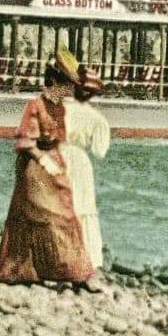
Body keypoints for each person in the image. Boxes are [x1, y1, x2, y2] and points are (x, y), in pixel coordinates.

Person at [0, 46, 98, 292]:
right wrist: (44, 160)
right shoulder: (35, 106)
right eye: (66, 86)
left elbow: (58, 139)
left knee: (68, 215)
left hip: (53, 165)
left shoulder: (59, 108)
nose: (70, 91)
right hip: (34, 168)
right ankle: (29, 270)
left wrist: (59, 162)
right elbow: (24, 142)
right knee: (48, 217)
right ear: (54, 82)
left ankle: (77, 275)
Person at [60, 70, 111, 276]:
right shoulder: (97, 118)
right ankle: (85, 257)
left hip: (58, 155)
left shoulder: (59, 109)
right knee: (82, 206)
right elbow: (99, 151)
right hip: (80, 160)